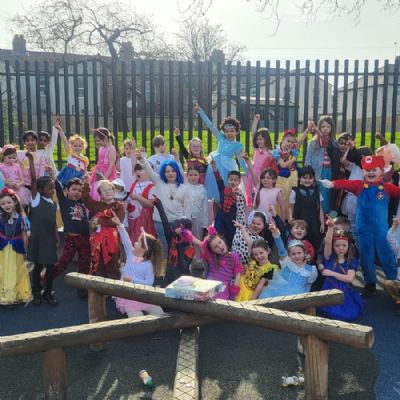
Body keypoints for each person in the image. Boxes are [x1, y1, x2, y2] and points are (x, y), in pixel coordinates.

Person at [320, 155, 400, 296]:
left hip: (382, 230)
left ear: (381, 171)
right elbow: (345, 183)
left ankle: (394, 282)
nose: (370, 172)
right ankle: (370, 283)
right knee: (365, 256)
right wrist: (332, 184)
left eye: (374, 169)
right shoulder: (359, 185)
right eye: (367, 170)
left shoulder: (387, 187)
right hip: (363, 229)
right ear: (363, 171)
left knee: (386, 254)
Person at [137, 152, 191, 256]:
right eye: (167, 171)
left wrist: (185, 226)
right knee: (165, 248)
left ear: (177, 172)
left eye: (173, 171)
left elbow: (187, 209)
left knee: (177, 249)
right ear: (163, 173)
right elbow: (149, 170)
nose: (170, 173)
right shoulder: (159, 182)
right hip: (160, 222)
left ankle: (175, 266)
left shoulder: (184, 189)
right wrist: (142, 159)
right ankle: (165, 265)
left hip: (177, 224)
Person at [195, 103, 247, 203]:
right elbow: (210, 126)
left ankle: (222, 207)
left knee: (223, 189)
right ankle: (214, 209)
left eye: (232, 131)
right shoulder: (221, 138)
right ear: (224, 132)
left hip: (226, 167)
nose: (229, 133)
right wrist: (200, 112)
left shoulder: (238, 145)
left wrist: (249, 173)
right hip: (214, 165)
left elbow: (241, 160)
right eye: (227, 131)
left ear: (237, 132)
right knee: (213, 186)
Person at [26, 152, 58, 306]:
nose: (52, 190)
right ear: (39, 190)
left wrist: (56, 237)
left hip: (49, 239)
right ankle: (36, 293)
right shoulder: (36, 199)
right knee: (38, 267)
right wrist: (31, 160)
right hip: (38, 239)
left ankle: (48, 293)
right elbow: (33, 179)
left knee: (50, 268)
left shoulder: (53, 203)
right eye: (49, 188)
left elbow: (53, 223)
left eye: (53, 188)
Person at [114, 221, 164, 317]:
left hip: (142, 296)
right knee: (136, 318)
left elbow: (149, 283)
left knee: (160, 313)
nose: (135, 243)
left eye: (138, 242)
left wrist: (132, 280)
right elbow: (126, 240)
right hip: (128, 296)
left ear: (144, 249)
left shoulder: (149, 265)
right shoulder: (130, 253)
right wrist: (120, 226)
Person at [318, 218, 364, 321]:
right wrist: (330, 227)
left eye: (344, 245)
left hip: (343, 291)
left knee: (348, 314)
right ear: (333, 246)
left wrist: (331, 273)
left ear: (348, 246)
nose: (341, 248)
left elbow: (349, 279)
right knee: (331, 311)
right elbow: (328, 242)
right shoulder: (329, 257)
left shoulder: (351, 261)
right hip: (329, 290)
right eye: (337, 245)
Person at [259, 221, 317, 298]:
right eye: (293, 254)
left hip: (299, 297)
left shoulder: (311, 270)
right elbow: (281, 249)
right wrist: (275, 233)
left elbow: (308, 286)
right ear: (289, 255)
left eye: (299, 253)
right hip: (280, 294)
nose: (296, 256)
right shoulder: (287, 262)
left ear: (304, 253)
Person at [82, 179, 125, 279]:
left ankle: (114, 285)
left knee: (112, 263)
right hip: (98, 240)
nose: (107, 192)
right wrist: (86, 185)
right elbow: (86, 200)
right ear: (100, 194)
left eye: (109, 189)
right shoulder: (98, 205)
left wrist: (100, 220)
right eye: (104, 190)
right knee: (98, 264)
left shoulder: (119, 206)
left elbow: (116, 221)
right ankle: (99, 284)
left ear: (114, 191)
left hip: (112, 241)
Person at [52, 178, 90, 287]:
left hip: (84, 238)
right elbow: (58, 188)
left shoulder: (82, 203)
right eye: (74, 189)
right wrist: (53, 175)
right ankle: (45, 279)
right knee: (64, 262)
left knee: (85, 263)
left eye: (79, 190)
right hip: (71, 239)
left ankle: (83, 288)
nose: (77, 192)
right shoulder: (64, 201)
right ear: (67, 191)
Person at [0, 188, 32, 305]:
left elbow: (24, 235)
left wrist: (25, 250)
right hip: (3, 249)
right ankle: (6, 296)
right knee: (4, 271)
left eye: (9, 202)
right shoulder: (0, 217)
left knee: (16, 270)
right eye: (3, 203)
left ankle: (16, 294)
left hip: (16, 249)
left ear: (15, 202)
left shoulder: (21, 219)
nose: (6, 205)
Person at [304, 116, 341, 213]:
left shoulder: (334, 143)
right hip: (317, 171)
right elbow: (308, 158)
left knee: (327, 193)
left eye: (328, 127)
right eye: (323, 126)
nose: (325, 129)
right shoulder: (313, 142)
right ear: (319, 127)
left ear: (332, 128)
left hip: (329, 171)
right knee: (318, 192)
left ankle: (326, 213)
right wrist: (308, 173)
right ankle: (317, 212)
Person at [200, 227, 244, 300]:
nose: (220, 246)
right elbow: (201, 247)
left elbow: (238, 273)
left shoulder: (234, 256)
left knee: (217, 297)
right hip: (210, 284)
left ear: (223, 240)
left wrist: (234, 290)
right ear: (213, 251)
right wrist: (205, 240)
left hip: (222, 288)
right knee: (202, 295)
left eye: (220, 242)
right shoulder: (211, 257)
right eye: (215, 247)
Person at [288, 166, 325, 251]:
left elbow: (320, 208)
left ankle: (313, 257)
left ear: (313, 178)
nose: (307, 180)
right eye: (304, 178)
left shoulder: (316, 191)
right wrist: (290, 217)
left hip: (314, 221)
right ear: (299, 178)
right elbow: (290, 207)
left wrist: (322, 223)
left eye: (310, 178)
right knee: (299, 241)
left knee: (315, 239)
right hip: (299, 219)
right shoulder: (295, 191)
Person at [211, 161, 246, 247]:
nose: (233, 182)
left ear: (239, 181)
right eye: (231, 180)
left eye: (235, 180)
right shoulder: (223, 188)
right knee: (218, 231)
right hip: (221, 215)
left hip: (232, 217)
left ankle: (230, 249)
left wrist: (238, 194)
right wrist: (215, 169)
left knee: (231, 234)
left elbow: (242, 207)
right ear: (228, 180)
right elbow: (218, 179)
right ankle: (217, 247)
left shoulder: (240, 194)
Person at [246, 114, 277, 206]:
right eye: (257, 140)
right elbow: (253, 133)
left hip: (262, 175)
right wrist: (255, 121)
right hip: (253, 174)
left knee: (261, 193)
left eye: (261, 139)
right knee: (253, 192)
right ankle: (254, 205)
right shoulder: (256, 149)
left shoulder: (270, 153)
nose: (258, 141)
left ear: (266, 139)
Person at [272, 129, 303, 217]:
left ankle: (289, 217)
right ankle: (280, 216)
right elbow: (283, 165)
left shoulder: (292, 151)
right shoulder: (277, 152)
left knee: (291, 197)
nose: (290, 143)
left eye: (292, 142)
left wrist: (308, 129)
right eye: (288, 141)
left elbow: (301, 140)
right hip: (281, 179)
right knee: (281, 197)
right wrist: (293, 159)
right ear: (282, 140)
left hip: (292, 177)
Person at [126, 163, 156, 244]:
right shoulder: (134, 183)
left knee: (144, 241)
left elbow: (151, 204)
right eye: (136, 170)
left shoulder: (152, 186)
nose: (137, 172)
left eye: (140, 170)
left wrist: (138, 197)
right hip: (132, 218)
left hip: (145, 220)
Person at [56, 118, 89, 187]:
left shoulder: (84, 158)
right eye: (75, 146)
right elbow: (65, 141)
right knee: (67, 187)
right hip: (70, 174)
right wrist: (60, 130)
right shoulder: (70, 154)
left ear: (83, 147)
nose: (77, 147)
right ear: (71, 146)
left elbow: (85, 169)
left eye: (80, 146)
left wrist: (87, 176)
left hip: (80, 175)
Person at [89, 127, 117, 200]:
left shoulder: (111, 148)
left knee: (105, 189)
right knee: (96, 189)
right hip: (99, 172)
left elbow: (111, 165)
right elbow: (99, 162)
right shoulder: (101, 148)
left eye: (98, 140)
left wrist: (105, 178)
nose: (97, 143)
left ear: (105, 138)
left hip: (108, 173)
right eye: (96, 141)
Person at [185, 167, 209, 240]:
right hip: (185, 217)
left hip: (198, 219)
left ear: (199, 176)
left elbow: (205, 207)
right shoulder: (184, 187)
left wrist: (205, 223)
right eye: (191, 175)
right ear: (187, 176)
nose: (193, 177)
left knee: (197, 239)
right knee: (186, 239)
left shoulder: (202, 189)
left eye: (195, 175)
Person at [383, 217, 400, 305]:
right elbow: (390, 238)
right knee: (387, 284)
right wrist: (394, 226)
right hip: (399, 283)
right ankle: (398, 300)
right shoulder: (398, 250)